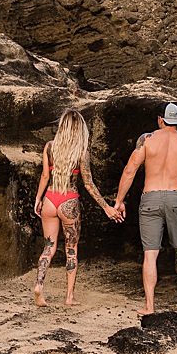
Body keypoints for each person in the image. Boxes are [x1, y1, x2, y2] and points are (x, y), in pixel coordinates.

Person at [112, 102, 177, 314]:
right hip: (175, 198)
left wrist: (119, 201)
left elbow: (130, 170)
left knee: (150, 254)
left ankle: (149, 305)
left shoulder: (147, 139)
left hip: (150, 197)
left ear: (160, 119)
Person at [31, 109, 115, 307]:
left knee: (49, 247)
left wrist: (38, 198)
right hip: (69, 201)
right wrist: (106, 206)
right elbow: (88, 184)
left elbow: (44, 176)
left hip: (50, 199)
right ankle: (69, 297)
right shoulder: (82, 153)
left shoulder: (50, 147)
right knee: (71, 250)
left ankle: (39, 286)